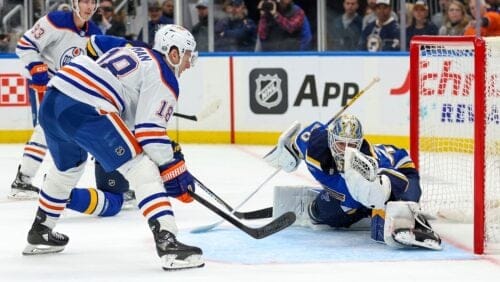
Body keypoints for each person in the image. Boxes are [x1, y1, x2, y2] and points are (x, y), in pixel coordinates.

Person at [22, 24, 204, 270]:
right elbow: (149, 133)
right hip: (85, 107)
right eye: (187, 56)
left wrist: (167, 152)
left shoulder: (135, 52)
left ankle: (41, 230)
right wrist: (173, 168)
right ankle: (167, 242)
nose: (189, 64)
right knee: (142, 169)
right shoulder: (164, 74)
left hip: (55, 99)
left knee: (69, 167)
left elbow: (131, 124)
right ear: (173, 52)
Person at [264, 114, 442, 250]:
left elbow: (399, 182)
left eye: (352, 145)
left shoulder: (368, 160)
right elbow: (306, 134)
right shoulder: (315, 145)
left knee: (383, 196)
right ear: (331, 139)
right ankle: (355, 208)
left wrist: (396, 204)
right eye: (341, 144)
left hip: (400, 168)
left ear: (359, 144)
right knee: (339, 209)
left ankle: (416, 222)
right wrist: (288, 152)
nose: (347, 151)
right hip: (354, 185)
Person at [11, 0, 102, 199]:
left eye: (92, 2)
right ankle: (24, 180)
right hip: (46, 84)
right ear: (75, 3)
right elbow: (25, 45)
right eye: (84, 1)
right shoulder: (55, 21)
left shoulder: (96, 33)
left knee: (58, 132)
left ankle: (31, 181)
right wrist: (36, 66)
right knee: (45, 129)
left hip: (69, 91)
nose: (88, 6)